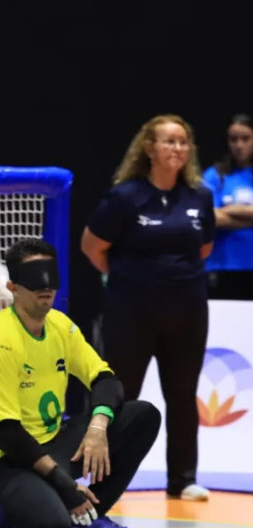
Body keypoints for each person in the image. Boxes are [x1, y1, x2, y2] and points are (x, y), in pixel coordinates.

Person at [0, 238, 161, 528]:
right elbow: (7, 434)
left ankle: (88, 517)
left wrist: (98, 427)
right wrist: (67, 487)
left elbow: (106, 380)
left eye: (50, 276)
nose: (46, 287)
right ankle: (8, 507)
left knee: (142, 415)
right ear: (13, 287)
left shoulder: (61, 325)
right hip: (3, 458)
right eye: (34, 278)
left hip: (52, 442)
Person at [81, 114, 215, 501]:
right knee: (121, 396)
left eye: (183, 142)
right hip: (131, 312)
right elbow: (92, 246)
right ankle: (107, 481)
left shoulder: (200, 196)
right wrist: (132, 281)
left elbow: (204, 248)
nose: (178, 148)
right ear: (149, 148)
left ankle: (183, 479)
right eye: (169, 141)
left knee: (183, 394)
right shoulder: (125, 196)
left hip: (187, 312)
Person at [202, 113, 253, 299]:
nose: (239, 145)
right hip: (223, 266)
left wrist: (228, 210)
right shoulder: (215, 175)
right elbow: (209, 217)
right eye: (234, 139)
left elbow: (220, 214)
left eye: (245, 139)